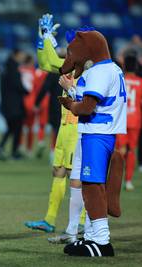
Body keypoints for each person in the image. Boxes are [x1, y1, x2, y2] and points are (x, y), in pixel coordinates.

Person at [59, 29, 126, 257]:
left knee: (92, 187)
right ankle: (90, 236)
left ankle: (101, 241)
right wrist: (73, 92)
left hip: (97, 134)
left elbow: (87, 107)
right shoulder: (113, 68)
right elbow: (96, 100)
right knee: (93, 185)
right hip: (104, 133)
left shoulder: (99, 71)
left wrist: (70, 105)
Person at [24, 15, 85, 241]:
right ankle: (49, 220)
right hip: (64, 129)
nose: (70, 48)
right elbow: (46, 63)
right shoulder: (70, 67)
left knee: (75, 176)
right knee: (58, 171)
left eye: (73, 44)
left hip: (77, 129)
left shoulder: (87, 70)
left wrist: (48, 40)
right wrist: (44, 39)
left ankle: (80, 222)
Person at [116, 51, 142, 191]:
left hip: (121, 119)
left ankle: (116, 180)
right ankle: (129, 181)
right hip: (135, 120)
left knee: (120, 150)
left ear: (124, 66)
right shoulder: (140, 83)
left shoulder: (120, 79)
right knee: (131, 151)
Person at [0, 49, 27, 160]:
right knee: (16, 127)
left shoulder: (6, 68)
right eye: (22, 54)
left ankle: (3, 148)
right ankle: (13, 151)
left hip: (7, 103)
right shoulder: (14, 69)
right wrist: (27, 91)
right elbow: (17, 85)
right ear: (16, 55)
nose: (23, 56)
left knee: (12, 127)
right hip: (14, 104)